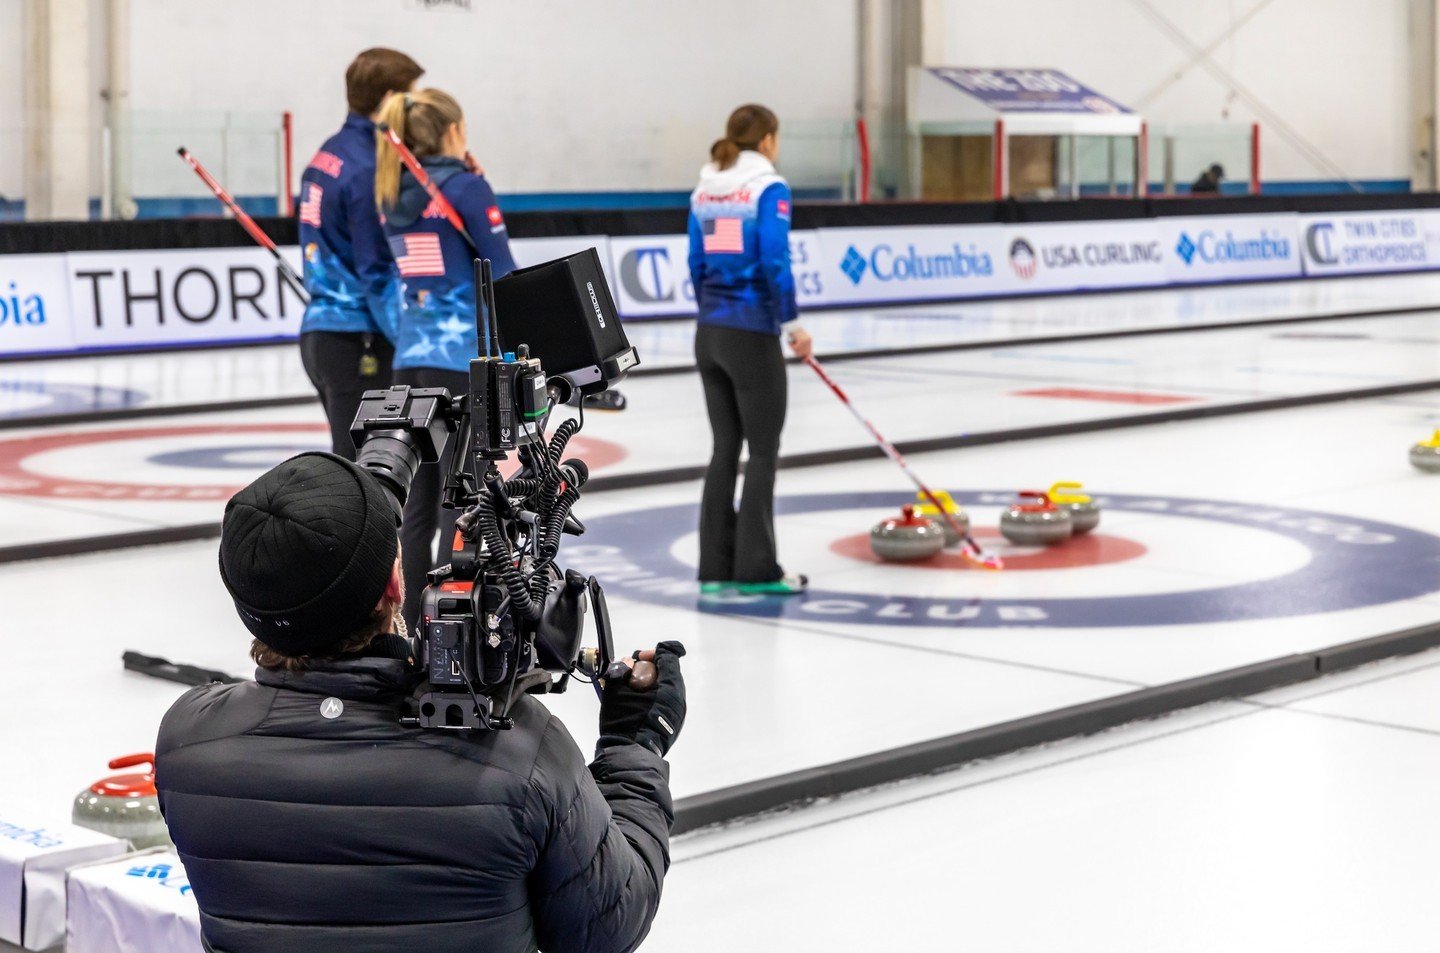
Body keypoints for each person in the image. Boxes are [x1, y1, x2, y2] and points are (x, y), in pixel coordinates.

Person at [154, 451, 685, 953]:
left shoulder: (188, 739)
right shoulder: (521, 750)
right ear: (394, 581)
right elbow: (607, 926)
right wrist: (633, 745)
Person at [374, 88, 518, 632]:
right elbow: (501, 271)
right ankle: (453, 625)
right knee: (465, 504)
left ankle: (411, 624)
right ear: (454, 130)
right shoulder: (465, 186)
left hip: (411, 359)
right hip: (464, 364)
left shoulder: (393, 190)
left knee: (417, 508)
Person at [688, 104, 812, 595]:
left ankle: (715, 569)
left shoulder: (704, 188)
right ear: (767, 141)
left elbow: (695, 261)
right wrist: (792, 324)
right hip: (752, 333)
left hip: (709, 332)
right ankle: (757, 569)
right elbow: (773, 259)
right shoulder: (768, 187)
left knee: (724, 449)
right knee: (762, 451)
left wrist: (713, 314)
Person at [298, 48, 424, 459]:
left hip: (323, 335)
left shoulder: (329, 152)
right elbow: (377, 272)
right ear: (390, 99)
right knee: (367, 477)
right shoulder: (368, 166)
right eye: (412, 99)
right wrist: (412, 344)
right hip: (358, 341)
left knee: (354, 466)